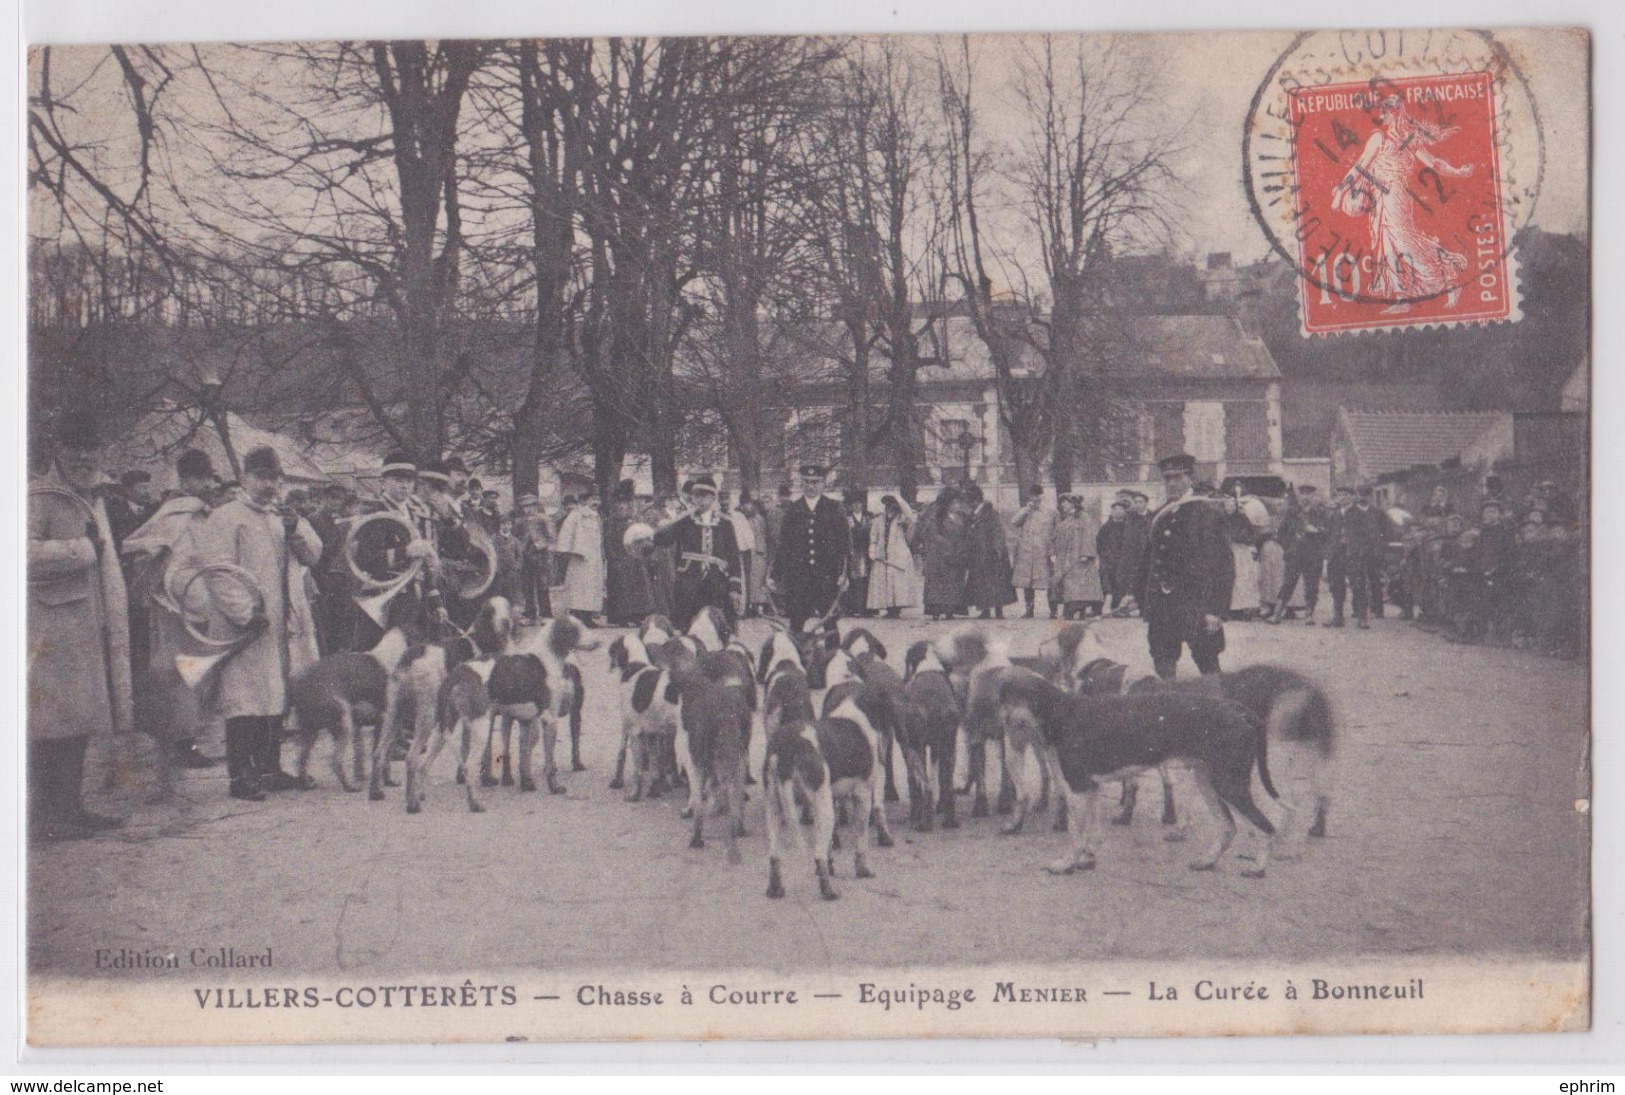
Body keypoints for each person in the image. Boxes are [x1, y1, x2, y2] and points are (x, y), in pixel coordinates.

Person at [195, 446, 323, 800]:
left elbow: (315, 554)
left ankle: (271, 768)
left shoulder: (283, 517)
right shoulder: (227, 518)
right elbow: (218, 571)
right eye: (262, 477)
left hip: (286, 621)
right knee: (245, 700)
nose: (270, 485)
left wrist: (297, 528)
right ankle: (241, 775)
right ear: (244, 479)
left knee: (277, 696)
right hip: (249, 625)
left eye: (275, 478)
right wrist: (244, 614)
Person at [28, 409, 133, 840]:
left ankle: (70, 809)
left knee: (79, 722)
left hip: (87, 625)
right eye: (75, 451)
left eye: (91, 451)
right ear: (58, 450)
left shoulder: (95, 495)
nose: (84, 459)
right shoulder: (39, 496)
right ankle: (43, 816)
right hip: (50, 629)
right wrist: (81, 549)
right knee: (50, 724)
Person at [118, 447, 221, 768]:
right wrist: (188, 596)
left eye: (208, 479)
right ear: (186, 479)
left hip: (197, 601)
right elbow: (158, 556)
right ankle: (180, 743)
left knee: (192, 673)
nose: (206, 486)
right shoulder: (176, 515)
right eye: (200, 479)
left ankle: (181, 739)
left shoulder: (201, 513)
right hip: (179, 606)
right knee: (181, 674)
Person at [1129, 453, 1234, 680]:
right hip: (1163, 607)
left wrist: (1216, 609)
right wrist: (1136, 595)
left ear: (1190, 478)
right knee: (1163, 664)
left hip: (1196, 603)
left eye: (1178, 477)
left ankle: (1221, 712)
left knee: (1208, 665)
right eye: (1167, 478)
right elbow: (1149, 561)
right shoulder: (1160, 515)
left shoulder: (1207, 512)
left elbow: (1223, 565)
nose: (1172, 483)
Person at [348, 452, 441, 648]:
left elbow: (425, 567)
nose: (404, 485)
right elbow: (366, 560)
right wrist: (405, 552)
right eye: (398, 479)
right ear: (384, 482)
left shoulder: (419, 515)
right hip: (387, 601)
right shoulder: (373, 513)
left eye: (409, 480)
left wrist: (436, 600)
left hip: (417, 599)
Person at [653, 475, 740, 630]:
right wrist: (653, 534)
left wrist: (735, 588)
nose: (699, 499)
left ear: (713, 497)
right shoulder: (684, 521)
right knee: (687, 628)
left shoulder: (725, 524)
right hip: (689, 583)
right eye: (696, 495)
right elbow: (663, 540)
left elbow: (733, 556)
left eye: (704, 495)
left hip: (717, 584)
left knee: (718, 629)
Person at [770, 465, 849, 632]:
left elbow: (845, 544)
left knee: (830, 626)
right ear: (802, 484)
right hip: (799, 578)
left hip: (827, 577)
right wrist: (774, 576)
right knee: (796, 625)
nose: (811, 486)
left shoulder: (834, 508)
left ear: (823, 484)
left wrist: (845, 573)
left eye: (815, 482)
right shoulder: (793, 510)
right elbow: (783, 545)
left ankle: (833, 658)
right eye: (807, 482)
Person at [1325, 485, 1383, 628]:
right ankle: (1338, 617)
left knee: (1358, 585)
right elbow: (1329, 535)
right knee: (1336, 586)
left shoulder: (1360, 514)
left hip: (1354, 554)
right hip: (1337, 554)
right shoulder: (1335, 514)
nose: (1342, 498)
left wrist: (1361, 551)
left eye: (1346, 495)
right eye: (1340, 495)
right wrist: (1329, 553)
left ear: (1352, 497)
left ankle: (1362, 617)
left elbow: (1369, 536)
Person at [911, 488, 970, 621]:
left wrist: (961, 548)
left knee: (953, 582)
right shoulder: (936, 518)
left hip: (955, 554)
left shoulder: (961, 518)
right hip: (938, 555)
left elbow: (965, 535)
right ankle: (935, 611)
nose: (957, 505)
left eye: (958, 503)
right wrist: (948, 544)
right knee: (937, 583)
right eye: (954, 503)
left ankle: (950, 610)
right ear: (948, 504)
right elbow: (932, 534)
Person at [1273, 485, 1327, 625]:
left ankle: (1309, 614)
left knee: (1312, 585)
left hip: (1313, 554)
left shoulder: (1319, 513)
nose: (1306, 497)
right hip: (1295, 554)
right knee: (1288, 582)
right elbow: (1280, 534)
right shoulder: (1292, 512)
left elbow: (1328, 533)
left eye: (1309, 494)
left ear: (1313, 496)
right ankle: (1278, 613)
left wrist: (1316, 531)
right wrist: (1289, 547)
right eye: (1303, 494)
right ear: (1299, 496)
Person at [962, 483, 1016, 620]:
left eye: (969, 501)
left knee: (996, 582)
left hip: (991, 554)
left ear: (975, 500)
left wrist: (997, 551)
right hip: (979, 554)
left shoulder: (990, 513)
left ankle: (999, 611)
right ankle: (985, 610)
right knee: (982, 582)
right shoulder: (974, 514)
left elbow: (998, 532)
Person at [555, 492, 606, 626]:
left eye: (598, 499)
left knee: (592, 588)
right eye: (593, 499)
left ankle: (589, 617)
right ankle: (578, 617)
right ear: (585, 501)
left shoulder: (597, 517)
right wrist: (567, 551)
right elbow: (566, 533)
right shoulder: (576, 515)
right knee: (579, 588)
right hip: (580, 557)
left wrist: (602, 552)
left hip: (594, 557)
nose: (596, 502)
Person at [866, 494, 920, 619]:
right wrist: (872, 550)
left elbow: (910, 516)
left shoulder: (902, 520)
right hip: (881, 555)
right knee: (883, 581)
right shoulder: (878, 520)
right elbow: (873, 537)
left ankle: (896, 608)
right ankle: (888, 608)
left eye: (893, 507)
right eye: (888, 506)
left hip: (898, 555)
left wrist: (900, 501)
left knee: (897, 582)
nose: (890, 509)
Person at [1050, 494, 1103, 619]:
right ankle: (1072, 607)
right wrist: (1053, 552)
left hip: (1079, 557)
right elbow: (1057, 536)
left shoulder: (1084, 518)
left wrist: (1086, 554)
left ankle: (1077, 608)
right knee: (1068, 583)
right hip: (1066, 557)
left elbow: (1089, 535)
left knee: (1080, 584)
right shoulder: (1066, 519)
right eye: (1062, 502)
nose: (1063, 505)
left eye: (1066, 502)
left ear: (1073, 504)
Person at [1010, 484, 1057, 619]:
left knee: (1049, 581)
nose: (1035, 499)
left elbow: (1057, 531)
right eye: (1032, 497)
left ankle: (1053, 611)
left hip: (1043, 552)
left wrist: (1053, 550)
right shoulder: (1026, 511)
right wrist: (1026, 510)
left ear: (1042, 497)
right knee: (1027, 583)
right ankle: (1029, 609)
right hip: (1027, 553)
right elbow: (1014, 522)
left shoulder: (1051, 512)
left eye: (1037, 496)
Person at [1222, 492, 1262, 620]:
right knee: (1230, 578)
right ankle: (1229, 608)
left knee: (1243, 578)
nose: (1231, 505)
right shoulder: (1220, 518)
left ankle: (1244, 609)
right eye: (1229, 503)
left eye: (1234, 503)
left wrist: (1243, 536)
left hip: (1241, 552)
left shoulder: (1242, 518)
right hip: (1227, 551)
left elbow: (1252, 534)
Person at [515, 494, 553, 623]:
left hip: (541, 555)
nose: (528, 509)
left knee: (542, 585)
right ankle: (530, 614)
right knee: (527, 586)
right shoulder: (520, 522)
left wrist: (539, 546)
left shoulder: (544, 519)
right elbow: (516, 538)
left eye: (530, 506)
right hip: (526, 555)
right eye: (525, 506)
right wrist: (520, 550)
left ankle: (546, 615)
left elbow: (551, 538)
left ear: (536, 506)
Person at [841, 491, 873, 617]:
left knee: (865, 579)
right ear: (851, 506)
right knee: (852, 579)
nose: (857, 506)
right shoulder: (847, 518)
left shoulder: (868, 518)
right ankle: (852, 607)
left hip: (865, 551)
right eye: (854, 504)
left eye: (859, 504)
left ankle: (865, 607)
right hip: (853, 551)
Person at [1096, 499, 1129, 610]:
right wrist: (1104, 555)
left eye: (1120, 509)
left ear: (1125, 511)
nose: (1118, 511)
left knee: (1121, 583)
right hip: (1108, 560)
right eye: (1115, 509)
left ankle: (1120, 608)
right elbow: (1099, 543)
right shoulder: (1105, 528)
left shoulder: (1128, 527)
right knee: (1106, 581)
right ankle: (1104, 605)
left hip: (1123, 559)